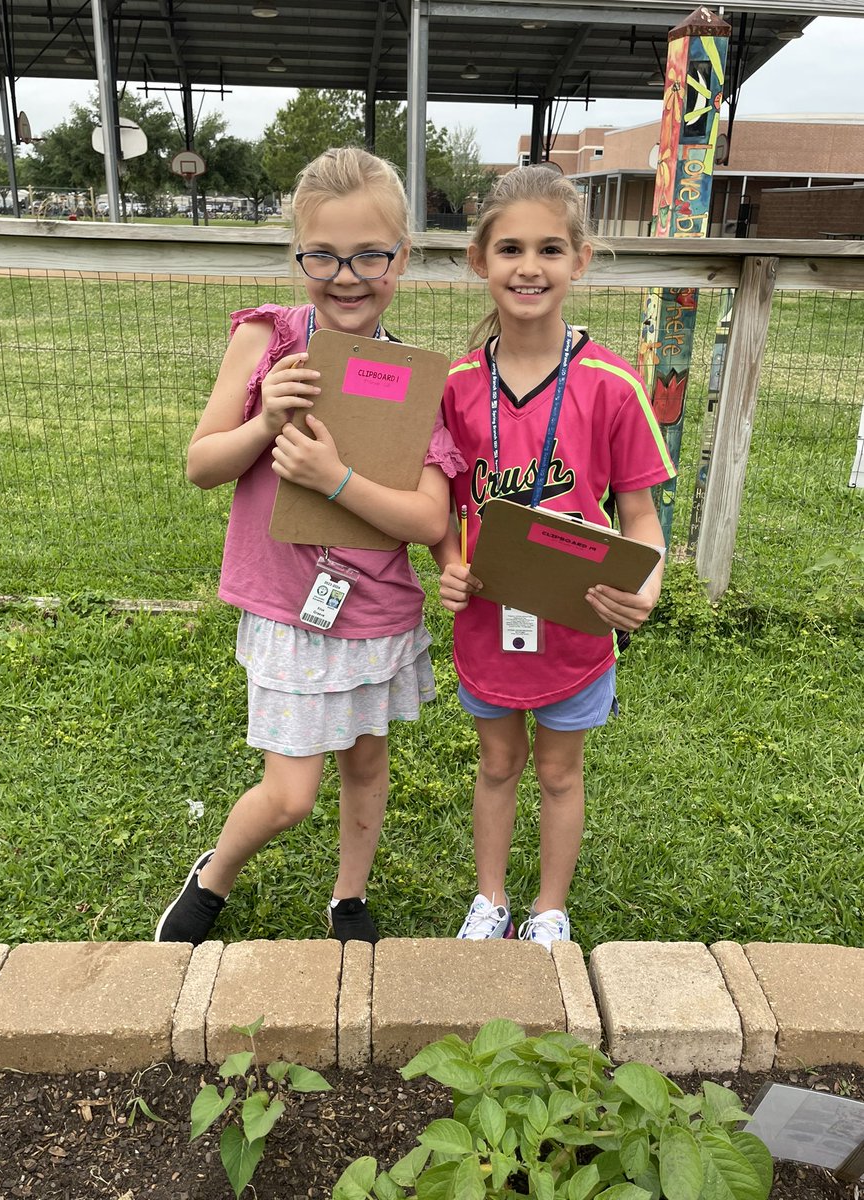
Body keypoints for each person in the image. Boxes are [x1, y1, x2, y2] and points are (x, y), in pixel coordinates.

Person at [155, 147, 463, 947]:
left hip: (375, 612)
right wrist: (264, 419)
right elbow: (200, 466)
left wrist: (334, 479)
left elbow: (430, 520)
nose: (348, 275)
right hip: (289, 610)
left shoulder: (414, 376)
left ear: (403, 254)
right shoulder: (267, 339)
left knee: (366, 765)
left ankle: (349, 896)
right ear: (299, 255)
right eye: (322, 255)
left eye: (371, 254)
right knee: (291, 793)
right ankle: (213, 875)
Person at [433, 165, 676, 951]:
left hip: (576, 628)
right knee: (498, 764)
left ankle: (548, 907)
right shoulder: (456, 385)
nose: (527, 267)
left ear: (581, 259)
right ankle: (491, 899)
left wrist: (647, 586)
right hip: (487, 622)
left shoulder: (611, 385)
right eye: (509, 248)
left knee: (559, 772)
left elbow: (641, 518)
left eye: (547, 249)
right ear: (480, 261)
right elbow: (440, 504)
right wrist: (447, 559)